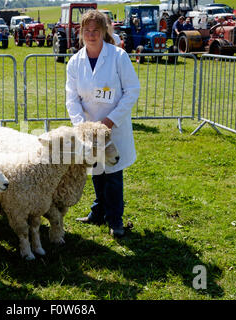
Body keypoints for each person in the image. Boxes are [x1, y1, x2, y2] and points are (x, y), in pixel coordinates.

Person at [65, 10, 140, 238]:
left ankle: (115, 220)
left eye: (96, 30)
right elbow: (71, 98)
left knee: (113, 173)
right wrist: (82, 126)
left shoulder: (118, 57)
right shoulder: (75, 62)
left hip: (113, 127)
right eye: (87, 30)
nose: (91, 35)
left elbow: (132, 91)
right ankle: (98, 213)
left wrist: (110, 120)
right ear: (81, 33)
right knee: (96, 170)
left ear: (103, 32)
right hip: (89, 129)